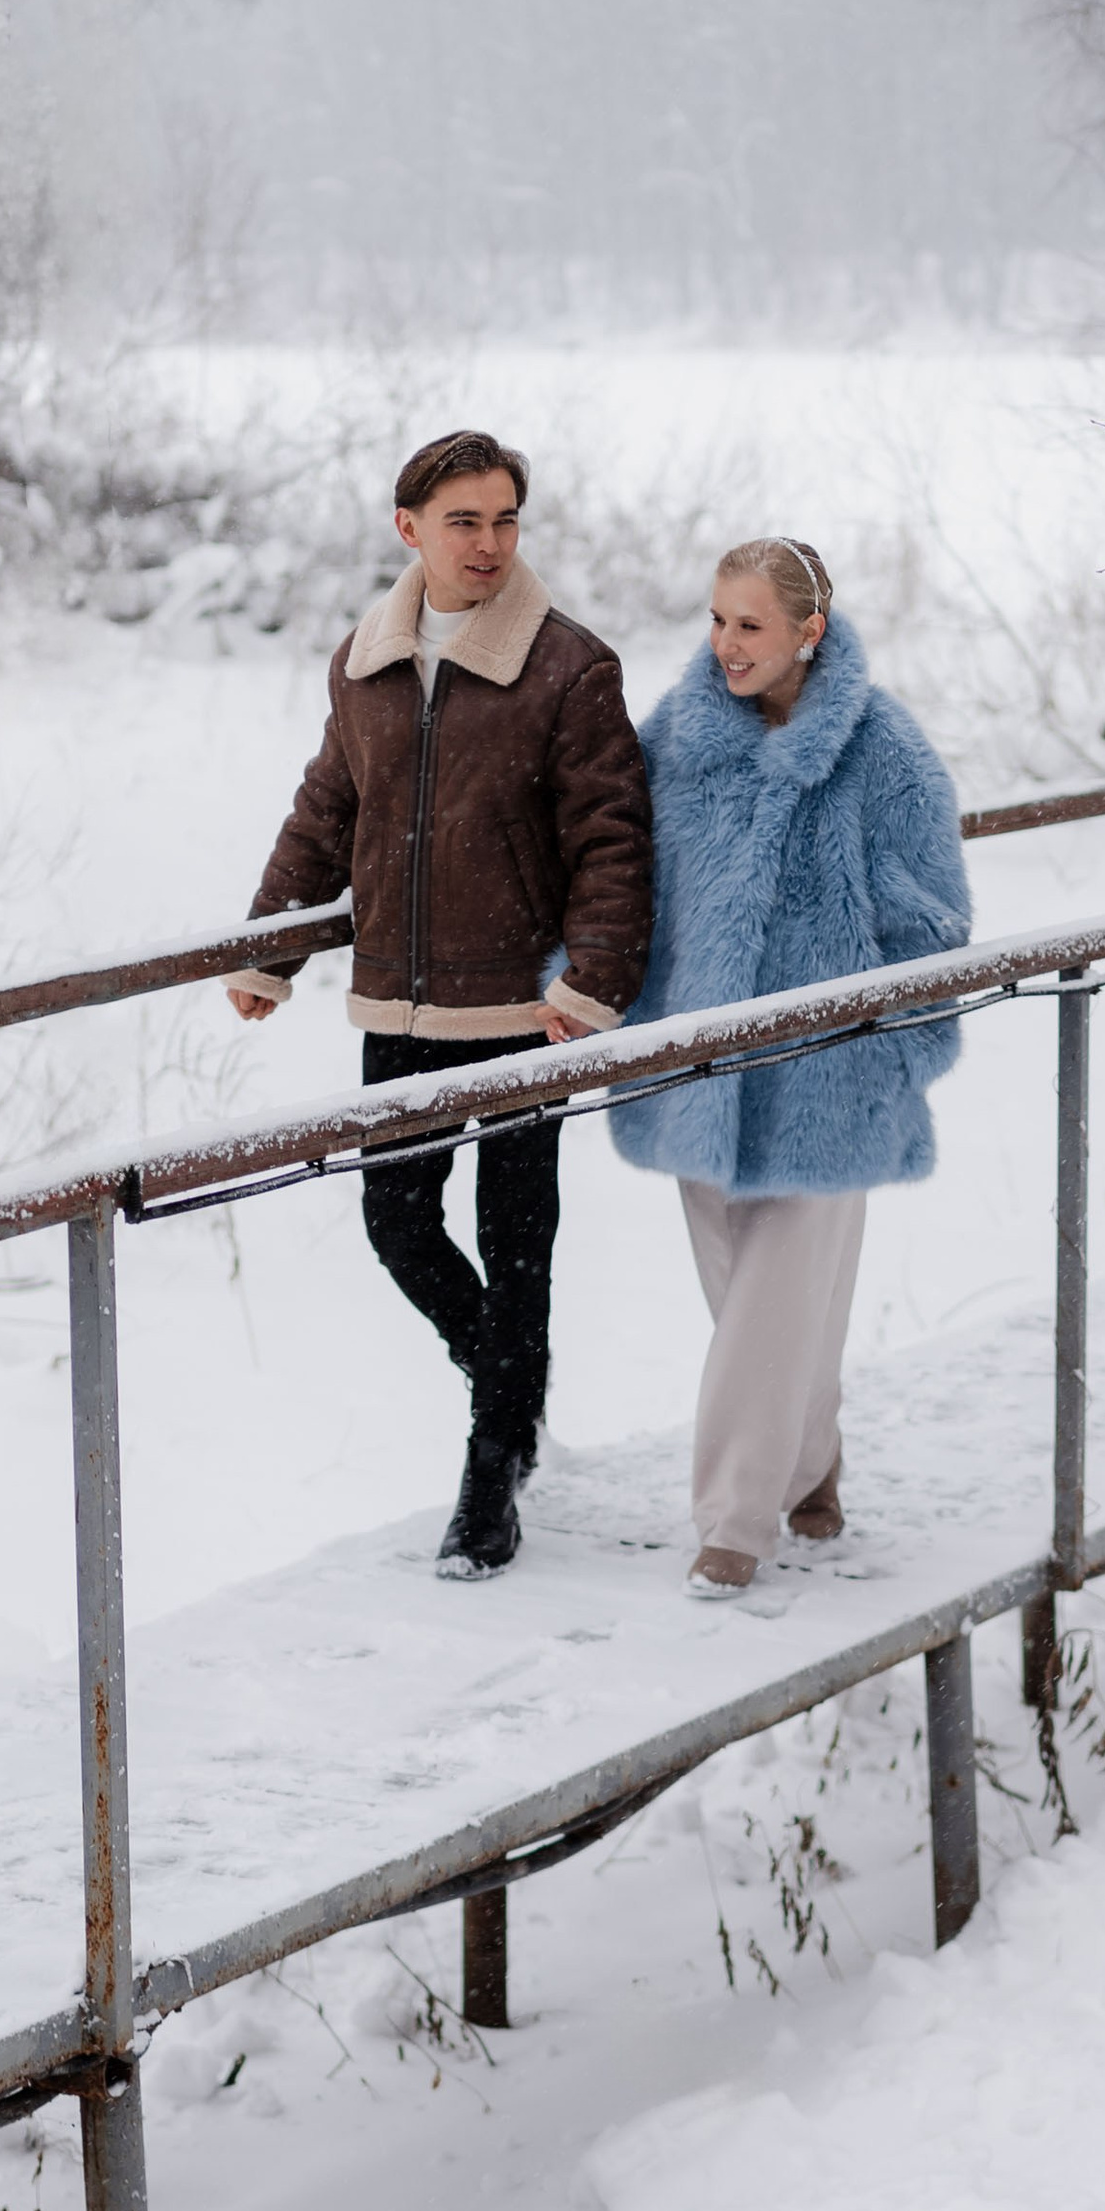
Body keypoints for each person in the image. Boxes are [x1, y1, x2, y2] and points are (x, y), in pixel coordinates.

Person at [228, 430, 653, 1577]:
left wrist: (593, 984)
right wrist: (271, 948)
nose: (489, 543)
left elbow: (613, 840)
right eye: (464, 521)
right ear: (409, 528)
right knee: (397, 1221)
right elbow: (329, 810)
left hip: (524, 1010)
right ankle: (511, 1396)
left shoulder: (571, 667)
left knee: (517, 1246)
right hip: (398, 1007)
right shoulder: (365, 662)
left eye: (506, 519)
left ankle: (488, 1478)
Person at [613, 537, 970, 1598]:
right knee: (755, 1305)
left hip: (831, 1078)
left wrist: (900, 1049)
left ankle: (733, 1523)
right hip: (695, 1072)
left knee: (771, 1306)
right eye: (718, 620)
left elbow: (933, 920)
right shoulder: (673, 738)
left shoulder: (884, 751)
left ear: (808, 632)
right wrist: (588, 987)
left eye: (751, 626)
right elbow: (621, 880)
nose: (727, 645)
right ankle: (809, 1467)